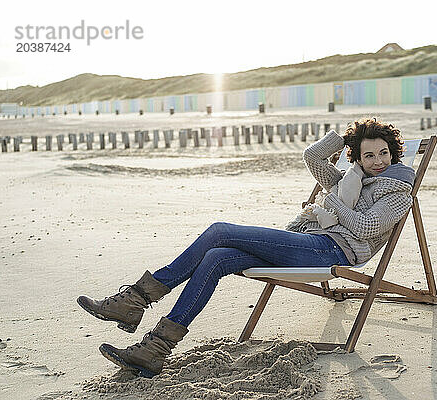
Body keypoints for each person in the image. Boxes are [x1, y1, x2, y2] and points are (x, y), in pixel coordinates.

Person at [77, 117, 416, 378]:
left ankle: (137, 299)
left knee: (220, 230)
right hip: (311, 241)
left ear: (393, 153)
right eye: (368, 154)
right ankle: (157, 348)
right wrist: (348, 138)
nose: (377, 161)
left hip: (331, 251)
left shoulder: (398, 189)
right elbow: (312, 156)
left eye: (383, 153)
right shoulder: (349, 180)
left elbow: (365, 226)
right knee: (216, 257)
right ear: (358, 156)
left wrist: (334, 203)